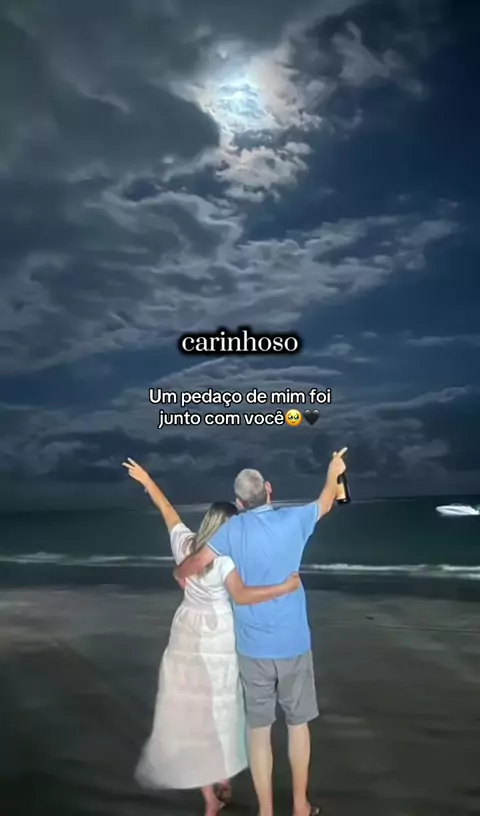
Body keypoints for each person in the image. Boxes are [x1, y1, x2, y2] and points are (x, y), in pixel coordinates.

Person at [122, 458, 301, 816]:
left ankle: (210, 799)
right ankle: (224, 779)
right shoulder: (226, 560)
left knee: (193, 714)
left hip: (186, 633)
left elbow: (167, 510)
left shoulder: (185, 545)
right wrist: (284, 587)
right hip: (219, 638)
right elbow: (243, 596)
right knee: (223, 713)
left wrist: (147, 480)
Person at [175, 448, 348, 816]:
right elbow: (326, 501)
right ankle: (300, 806)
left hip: (253, 649)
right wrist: (334, 471)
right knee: (298, 725)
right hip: (293, 643)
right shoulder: (294, 520)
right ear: (269, 489)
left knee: (259, 730)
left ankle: (266, 812)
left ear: (239, 503)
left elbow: (195, 563)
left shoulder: (230, 530)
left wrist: (179, 574)